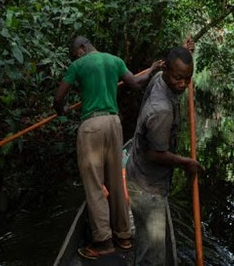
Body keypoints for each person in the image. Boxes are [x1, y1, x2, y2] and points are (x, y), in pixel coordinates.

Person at [54, 36, 161, 261]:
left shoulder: (78, 65)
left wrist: (61, 110)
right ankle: (124, 236)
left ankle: (103, 242)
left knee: (94, 186)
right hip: (114, 124)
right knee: (115, 181)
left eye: (75, 54)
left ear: (81, 49)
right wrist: (151, 69)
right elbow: (135, 84)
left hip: (91, 125)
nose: (76, 57)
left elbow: (58, 97)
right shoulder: (115, 60)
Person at [125, 46, 203, 266]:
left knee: (145, 244)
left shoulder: (160, 75)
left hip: (138, 173)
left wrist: (186, 50)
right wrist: (187, 162)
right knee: (153, 258)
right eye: (178, 78)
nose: (183, 84)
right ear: (167, 70)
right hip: (147, 188)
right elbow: (155, 154)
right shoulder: (161, 111)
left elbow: (177, 64)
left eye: (188, 79)